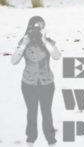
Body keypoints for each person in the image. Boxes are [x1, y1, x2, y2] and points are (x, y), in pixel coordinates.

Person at [12, 15, 61, 146]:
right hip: (28, 84)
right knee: (31, 112)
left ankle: (51, 141)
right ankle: (30, 140)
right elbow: (14, 61)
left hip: (47, 84)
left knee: (47, 112)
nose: (38, 31)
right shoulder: (24, 42)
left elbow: (57, 56)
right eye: (36, 27)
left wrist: (45, 40)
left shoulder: (48, 42)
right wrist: (23, 44)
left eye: (41, 28)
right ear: (29, 28)